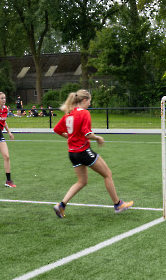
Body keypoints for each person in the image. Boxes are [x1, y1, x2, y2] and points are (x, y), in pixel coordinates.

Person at [53, 89, 133, 218]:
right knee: (107, 174)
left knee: (82, 181)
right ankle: (118, 204)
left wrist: (70, 137)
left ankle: (61, 205)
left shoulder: (69, 114)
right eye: (89, 101)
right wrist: (98, 138)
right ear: (84, 100)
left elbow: (57, 130)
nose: (90, 104)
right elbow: (87, 133)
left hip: (72, 153)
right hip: (82, 151)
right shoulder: (84, 113)